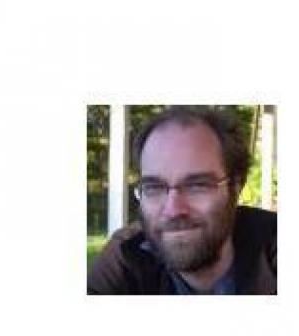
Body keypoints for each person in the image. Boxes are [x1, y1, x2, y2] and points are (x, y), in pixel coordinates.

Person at [87, 106, 277, 295]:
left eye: (197, 186)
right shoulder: (126, 256)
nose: (173, 210)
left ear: (235, 187)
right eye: (154, 187)